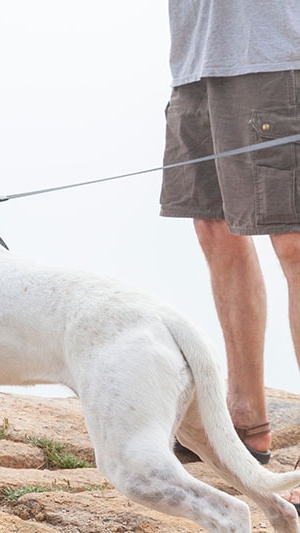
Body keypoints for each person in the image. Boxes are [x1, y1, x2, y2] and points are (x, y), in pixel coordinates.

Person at [160, 0, 300, 507]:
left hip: (278, 55)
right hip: (197, 59)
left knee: (294, 241)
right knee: (214, 228)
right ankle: (245, 421)